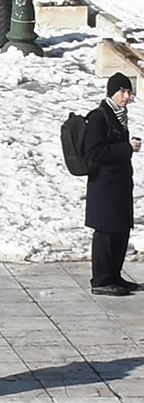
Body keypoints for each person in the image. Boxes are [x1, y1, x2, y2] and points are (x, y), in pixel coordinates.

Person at [84, 72, 142, 296]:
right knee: (106, 232)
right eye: (123, 92)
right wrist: (127, 148)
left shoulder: (119, 115)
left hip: (119, 184)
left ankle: (114, 275)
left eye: (129, 92)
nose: (127, 96)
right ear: (112, 92)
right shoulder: (100, 117)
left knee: (120, 230)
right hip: (104, 185)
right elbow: (95, 152)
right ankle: (100, 280)